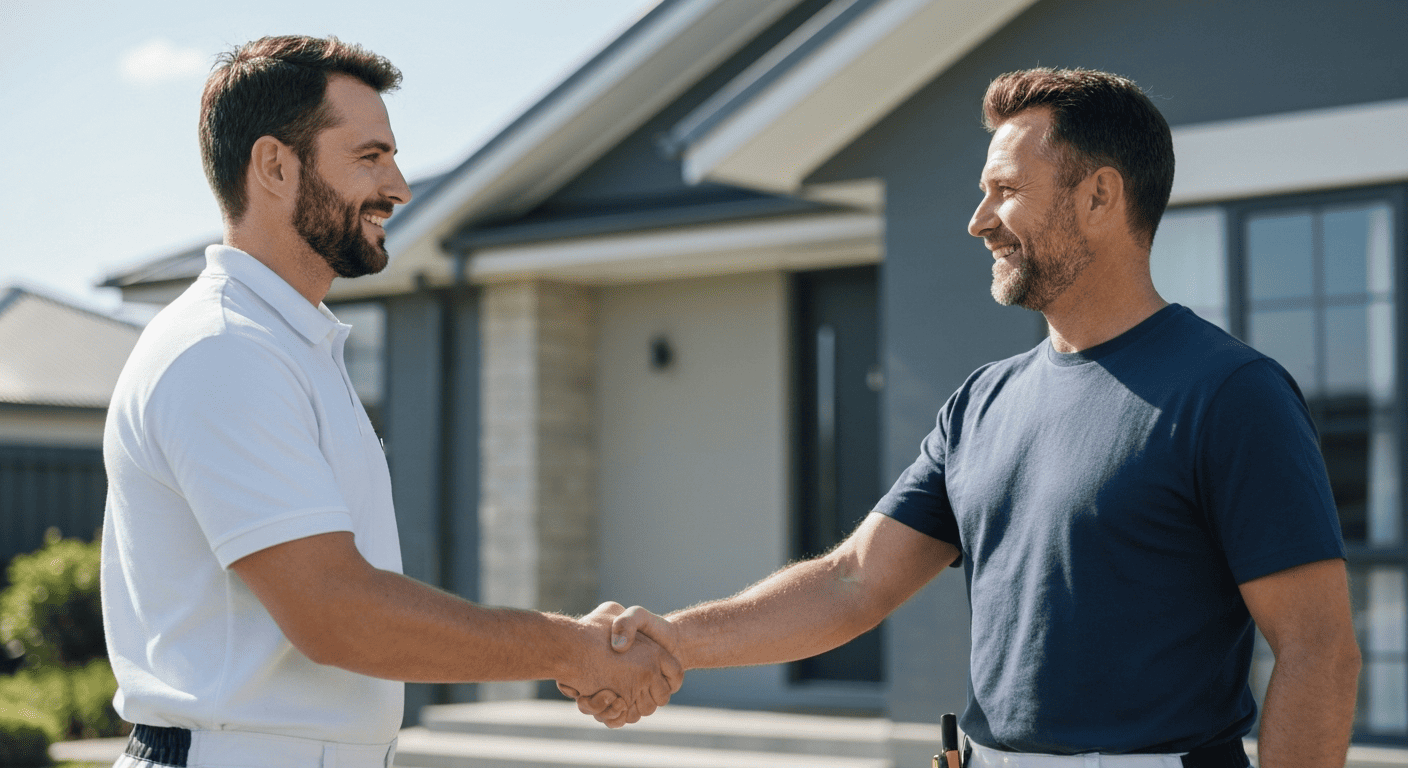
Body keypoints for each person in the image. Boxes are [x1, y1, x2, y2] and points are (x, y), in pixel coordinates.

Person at [572, 68, 1360, 768]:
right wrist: (672, 639)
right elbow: (852, 583)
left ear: (1099, 197)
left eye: (1006, 190)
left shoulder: (1231, 393)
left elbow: (1318, 650)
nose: (979, 220)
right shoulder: (981, 402)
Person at [100, 35, 677, 768]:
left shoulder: (287, 349)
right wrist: (575, 650)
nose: (399, 187)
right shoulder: (223, 350)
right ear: (275, 166)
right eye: (369, 157)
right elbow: (337, 614)